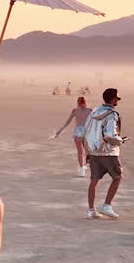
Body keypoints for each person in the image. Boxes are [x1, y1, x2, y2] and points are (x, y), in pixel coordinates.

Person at [84, 88, 125, 219]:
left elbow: (85, 131)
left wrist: (88, 151)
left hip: (93, 151)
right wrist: (120, 141)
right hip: (108, 152)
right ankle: (107, 205)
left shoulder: (94, 112)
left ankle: (91, 210)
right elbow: (109, 135)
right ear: (113, 99)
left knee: (94, 180)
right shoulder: (112, 114)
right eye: (117, 99)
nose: (117, 101)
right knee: (117, 177)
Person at [51, 96, 94, 176]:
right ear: (85, 102)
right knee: (86, 151)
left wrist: (58, 132)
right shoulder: (90, 110)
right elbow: (96, 121)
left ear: (78, 103)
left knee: (81, 152)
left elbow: (67, 123)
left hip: (78, 133)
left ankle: (82, 169)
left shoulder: (75, 111)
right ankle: (83, 166)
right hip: (87, 132)